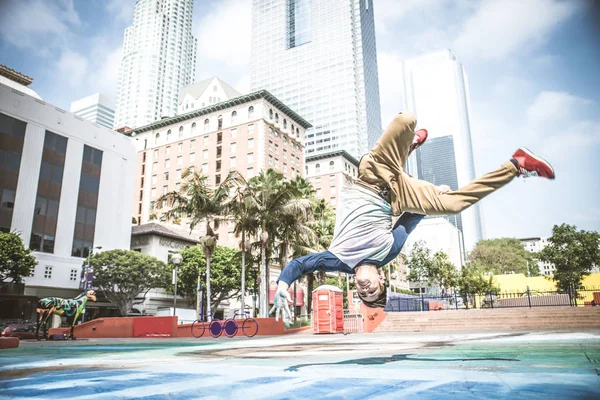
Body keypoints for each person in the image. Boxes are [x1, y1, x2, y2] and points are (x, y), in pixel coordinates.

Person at [270, 111, 555, 322]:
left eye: (363, 293)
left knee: (406, 122)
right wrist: (435, 200)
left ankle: (407, 149)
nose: (364, 289)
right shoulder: (388, 253)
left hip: (372, 179)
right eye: (372, 291)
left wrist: (283, 284)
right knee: (452, 202)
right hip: (398, 197)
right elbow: (410, 218)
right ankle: (517, 164)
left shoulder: (337, 261)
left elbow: (300, 263)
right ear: (382, 279)